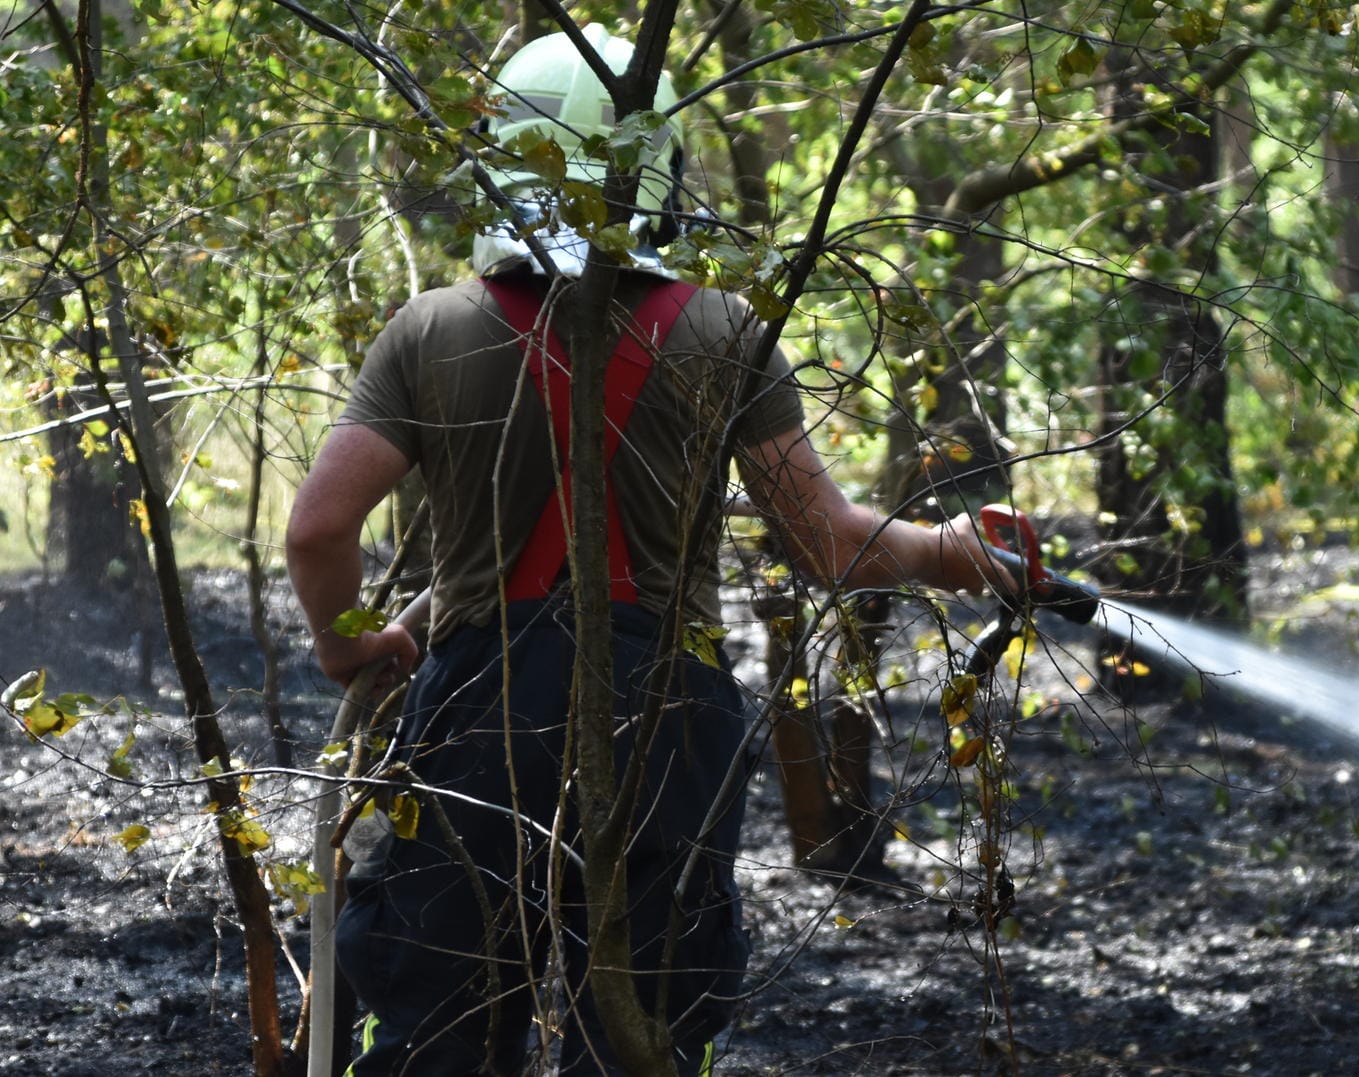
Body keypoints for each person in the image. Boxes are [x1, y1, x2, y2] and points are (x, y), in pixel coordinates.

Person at [286, 24, 1012, 1077]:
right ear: (653, 169)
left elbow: (317, 528)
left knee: (439, 1023)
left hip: (475, 713)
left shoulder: (432, 331)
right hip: (669, 717)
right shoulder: (724, 331)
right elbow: (833, 543)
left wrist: (344, 647)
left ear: (504, 164)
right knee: (642, 1029)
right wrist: (961, 553)